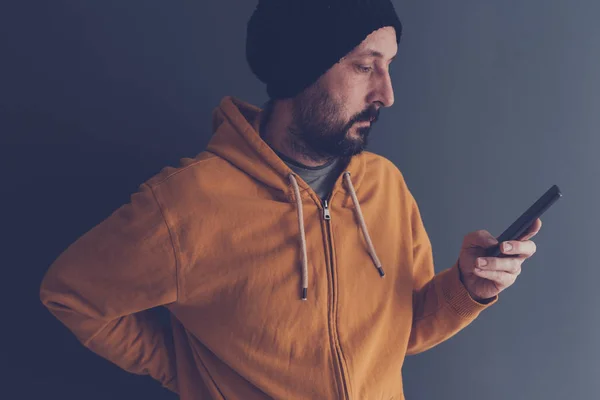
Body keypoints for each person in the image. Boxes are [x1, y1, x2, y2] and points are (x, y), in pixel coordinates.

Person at [39, 0, 542, 399]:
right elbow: (70, 295)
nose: (387, 93)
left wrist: (468, 288)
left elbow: (401, 334)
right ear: (301, 72)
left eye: (389, 66)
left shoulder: (385, 186)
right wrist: (191, 374)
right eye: (365, 67)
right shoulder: (184, 207)